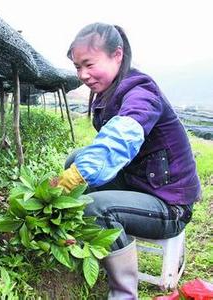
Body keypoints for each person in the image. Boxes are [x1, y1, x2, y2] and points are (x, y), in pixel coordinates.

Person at [53, 23, 201, 299]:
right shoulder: (109, 93)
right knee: (77, 158)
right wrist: (78, 168)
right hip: (143, 185)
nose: (83, 75)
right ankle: (86, 244)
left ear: (117, 55)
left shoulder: (141, 91)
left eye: (89, 64)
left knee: (96, 209)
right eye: (77, 67)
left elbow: (123, 135)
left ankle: (123, 294)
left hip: (170, 203)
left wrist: (77, 175)